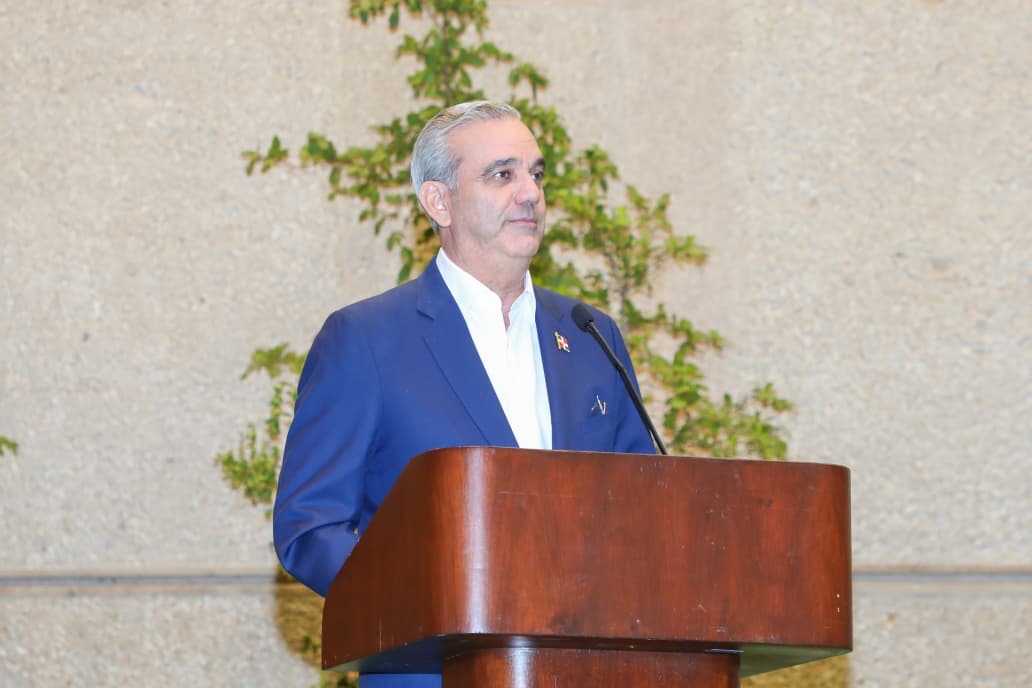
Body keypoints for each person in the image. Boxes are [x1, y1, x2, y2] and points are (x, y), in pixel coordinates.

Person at [272, 100, 656, 687]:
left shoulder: (589, 335)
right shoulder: (367, 340)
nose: (530, 193)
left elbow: (647, 506)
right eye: (502, 174)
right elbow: (310, 526)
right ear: (439, 201)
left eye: (536, 173)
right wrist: (435, 602)